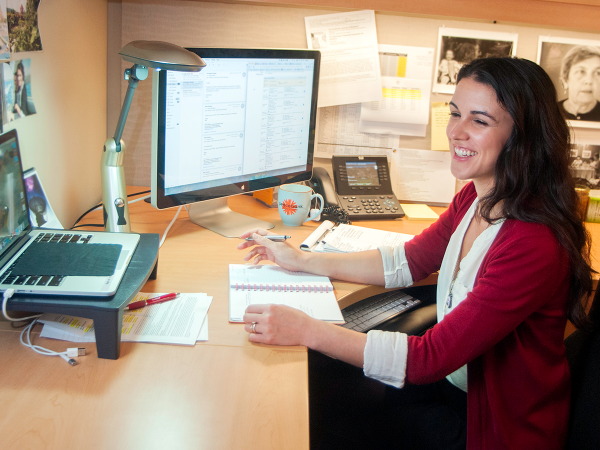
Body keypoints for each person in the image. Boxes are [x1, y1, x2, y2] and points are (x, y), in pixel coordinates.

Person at [237, 57, 593, 449]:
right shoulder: (477, 197)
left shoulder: (532, 241)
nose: (456, 132)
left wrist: (306, 329)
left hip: (496, 427)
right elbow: (408, 261)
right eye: (455, 113)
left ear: (522, 136)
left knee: (335, 403)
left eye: (479, 121)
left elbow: (429, 359)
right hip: (455, 388)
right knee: (336, 390)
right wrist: (303, 260)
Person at [558, 45, 600, 121]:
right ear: (565, 79)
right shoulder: (551, 111)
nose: (589, 81)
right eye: (581, 71)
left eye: (597, 73)